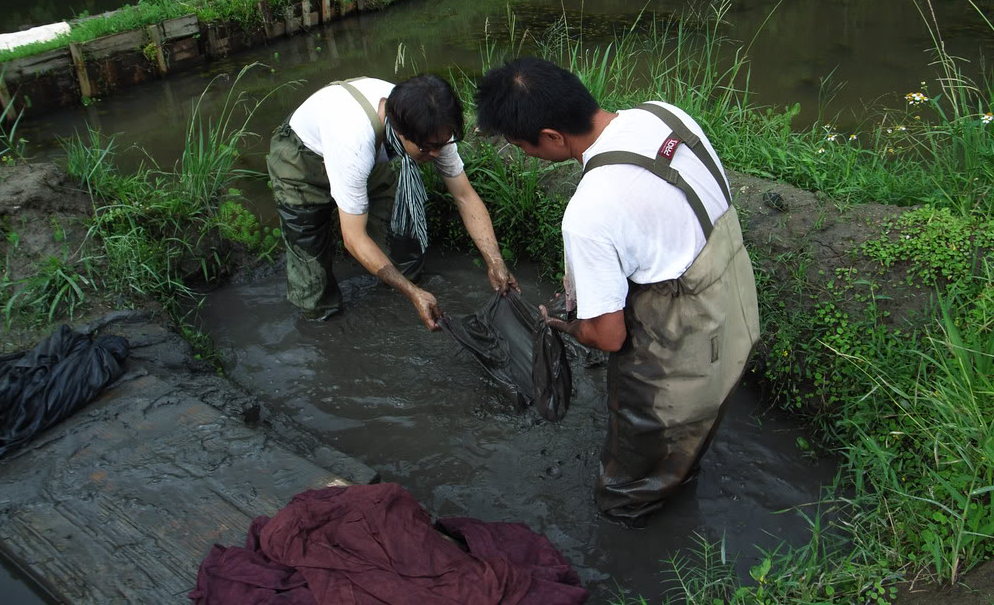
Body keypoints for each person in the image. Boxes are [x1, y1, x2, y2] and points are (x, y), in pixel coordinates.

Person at [474, 57, 760, 525]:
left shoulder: (591, 211)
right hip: (736, 322)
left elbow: (608, 338)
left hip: (682, 367)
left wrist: (568, 326)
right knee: (685, 455)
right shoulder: (664, 116)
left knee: (626, 495)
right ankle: (679, 473)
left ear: (551, 137)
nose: (524, 154)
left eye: (522, 145)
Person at [267, 74, 518, 330]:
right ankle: (322, 324)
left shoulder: (432, 126)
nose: (436, 154)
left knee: (395, 234)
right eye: (428, 149)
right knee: (311, 264)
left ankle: (397, 279)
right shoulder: (354, 142)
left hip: (370, 153)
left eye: (442, 144)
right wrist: (412, 292)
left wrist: (495, 261)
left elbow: (464, 195)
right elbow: (353, 237)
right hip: (303, 159)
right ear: (399, 133)